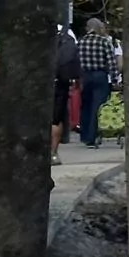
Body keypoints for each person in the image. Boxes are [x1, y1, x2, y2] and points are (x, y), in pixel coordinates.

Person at [77, 19, 116, 148]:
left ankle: (85, 135)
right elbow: (111, 63)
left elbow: (76, 61)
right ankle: (93, 136)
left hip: (85, 76)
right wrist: (115, 79)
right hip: (100, 75)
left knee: (85, 106)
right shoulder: (104, 42)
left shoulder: (81, 42)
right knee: (98, 106)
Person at [52, 23, 81, 165]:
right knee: (56, 119)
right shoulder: (67, 34)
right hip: (60, 82)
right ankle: (53, 153)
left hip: (38, 82)